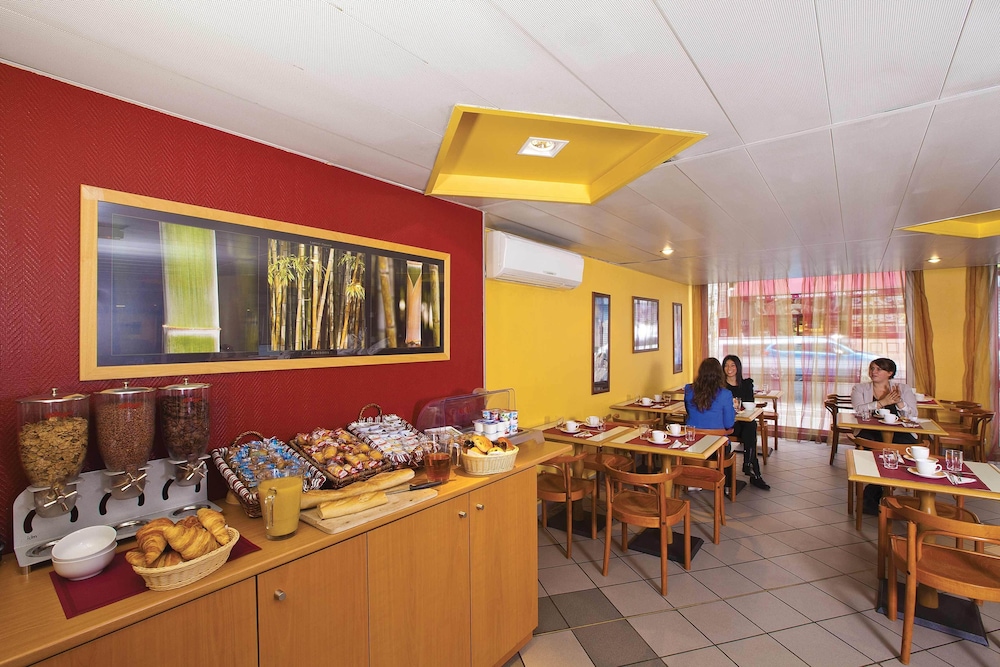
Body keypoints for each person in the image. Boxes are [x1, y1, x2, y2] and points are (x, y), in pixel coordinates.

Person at [684, 358, 736, 487]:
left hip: (693, 442)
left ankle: (693, 480)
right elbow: (729, 424)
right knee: (726, 443)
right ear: (719, 374)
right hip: (716, 447)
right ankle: (725, 485)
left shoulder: (688, 390)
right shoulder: (725, 394)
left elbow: (688, 412)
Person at [722, 354, 769, 490]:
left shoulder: (746, 384)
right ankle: (752, 470)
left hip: (743, 422)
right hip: (728, 424)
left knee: (750, 426)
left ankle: (749, 464)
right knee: (751, 429)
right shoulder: (721, 387)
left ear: (738, 367)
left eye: (732, 365)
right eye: (726, 365)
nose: (729, 368)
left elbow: (750, 405)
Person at [850, 357, 918, 444]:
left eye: (878, 369)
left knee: (905, 443)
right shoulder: (859, 388)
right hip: (868, 429)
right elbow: (858, 410)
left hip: (900, 430)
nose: (873, 372)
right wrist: (883, 402)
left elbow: (913, 414)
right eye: (872, 368)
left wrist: (899, 402)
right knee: (867, 442)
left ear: (890, 373)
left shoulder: (904, 389)